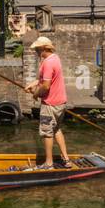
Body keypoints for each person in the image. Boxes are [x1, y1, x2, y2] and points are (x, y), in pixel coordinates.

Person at [25, 36, 73, 170]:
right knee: (56, 128)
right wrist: (33, 84)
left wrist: (35, 94)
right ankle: (66, 159)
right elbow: (44, 80)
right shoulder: (55, 58)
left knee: (47, 132)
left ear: (44, 48)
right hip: (60, 102)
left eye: (37, 49)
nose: (36, 52)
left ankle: (49, 163)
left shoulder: (47, 63)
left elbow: (46, 86)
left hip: (50, 104)